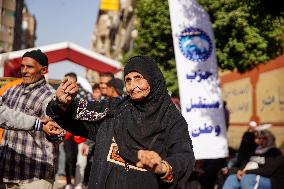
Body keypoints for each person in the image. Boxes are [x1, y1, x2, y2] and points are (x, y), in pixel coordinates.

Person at [46, 55, 195, 189]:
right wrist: (62, 104)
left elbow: (184, 155)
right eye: (128, 80)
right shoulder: (116, 108)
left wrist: (163, 168)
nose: (132, 86)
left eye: (138, 78)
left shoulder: (171, 119)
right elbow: (80, 119)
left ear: (152, 78)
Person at [0, 49, 61, 189]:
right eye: (22, 66)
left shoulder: (50, 96)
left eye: (30, 67)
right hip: (8, 171)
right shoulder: (11, 90)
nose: (24, 70)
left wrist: (53, 134)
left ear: (44, 70)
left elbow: (59, 133)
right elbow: (5, 117)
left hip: (35, 175)